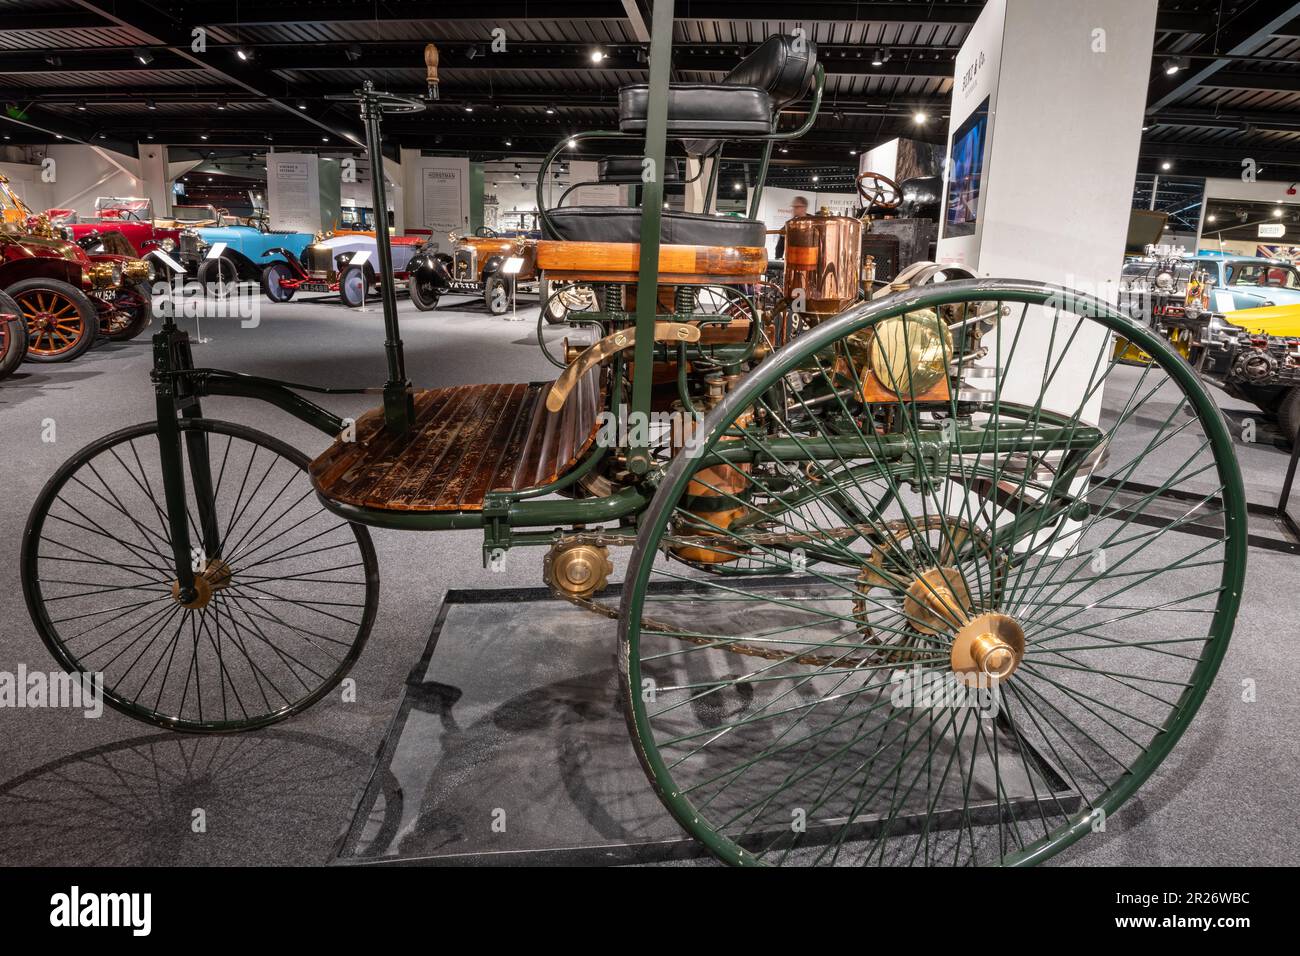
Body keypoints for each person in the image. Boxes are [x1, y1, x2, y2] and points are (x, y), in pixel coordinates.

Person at [774, 195, 809, 260]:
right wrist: (778, 259)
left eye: (797, 207)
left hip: (808, 260)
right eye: (793, 207)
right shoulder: (789, 224)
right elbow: (780, 246)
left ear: (804, 207)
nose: (794, 209)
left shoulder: (813, 222)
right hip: (793, 260)